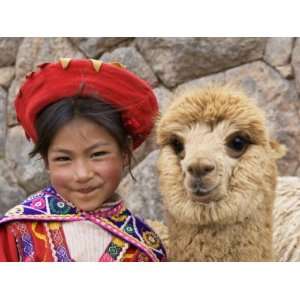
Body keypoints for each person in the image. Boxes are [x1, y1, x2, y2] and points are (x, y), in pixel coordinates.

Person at [0, 58, 167, 262]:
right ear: (46, 161)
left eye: (97, 155)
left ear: (125, 152)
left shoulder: (144, 250)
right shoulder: (15, 233)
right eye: (63, 158)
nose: (82, 174)